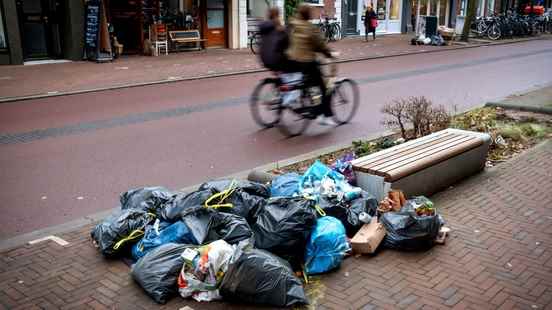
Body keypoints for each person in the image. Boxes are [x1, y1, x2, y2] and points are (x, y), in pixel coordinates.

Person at [286, 4, 336, 126]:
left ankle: (305, 99)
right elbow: (320, 45)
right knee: (326, 88)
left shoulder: (293, 24)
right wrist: (330, 54)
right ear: (309, 14)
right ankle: (324, 116)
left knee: (307, 85)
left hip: (293, 60)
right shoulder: (310, 28)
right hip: (306, 62)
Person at [258, 8, 289, 72]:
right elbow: (287, 43)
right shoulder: (280, 28)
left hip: (263, 59)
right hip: (275, 60)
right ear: (278, 16)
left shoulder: (263, 27)